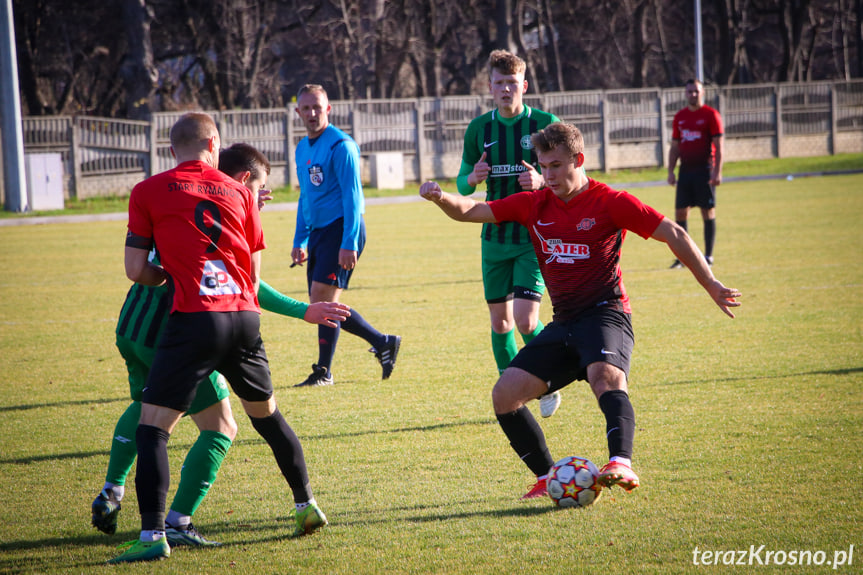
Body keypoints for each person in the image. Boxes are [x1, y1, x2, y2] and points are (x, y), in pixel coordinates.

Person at [420, 122, 741, 501]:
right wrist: (441, 197)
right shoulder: (533, 203)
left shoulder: (610, 202)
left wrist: (711, 283)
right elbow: (472, 210)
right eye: (543, 165)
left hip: (607, 314)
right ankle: (549, 478)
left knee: (604, 376)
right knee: (504, 395)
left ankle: (620, 462)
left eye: (556, 165)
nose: (548, 175)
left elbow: (673, 233)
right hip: (565, 322)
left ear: (579, 160)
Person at [92, 143, 350, 548]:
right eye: (259, 188)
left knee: (147, 410)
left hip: (133, 326)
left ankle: (113, 491)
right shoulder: (229, 199)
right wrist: (302, 308)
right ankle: (173, 523)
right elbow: (246, 281)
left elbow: (142, 265)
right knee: (219, 426)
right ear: (243, 179)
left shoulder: (166, 195)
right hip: (186, 328)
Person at [457, 50, 562, 418]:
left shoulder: (546, 125)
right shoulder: (478, 129)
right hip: (493, 240)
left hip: (531, 239)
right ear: (490, 87)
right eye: (499, 83)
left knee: (526, 322)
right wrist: (472, 178)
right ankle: (512, 393)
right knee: (501, 324)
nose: (506, 89)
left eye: (512, 84)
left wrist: (540, 182)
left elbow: (569, 178)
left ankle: (550, 374)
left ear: (524, 86)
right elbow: (463, 182)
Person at [291, 83, 401, 387]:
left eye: (318, 107)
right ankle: (381, 342)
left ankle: (325, 371)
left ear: (329, 109)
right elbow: (305, 199)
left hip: (342, 229)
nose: (312, 113)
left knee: (321, 300)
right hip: (319, 233)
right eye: (306, 108)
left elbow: (354, 198)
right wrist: (300, 240)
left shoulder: (341, 146)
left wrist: (349, 242)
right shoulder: (302, 148)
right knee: (321, 302)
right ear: (297, 111)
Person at [667, 78, 724, 268]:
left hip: (705, 171)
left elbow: (719, 146)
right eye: (689, 91)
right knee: (680, 213)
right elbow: (675, 147)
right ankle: (684, 258)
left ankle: (708, 256)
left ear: (703, 93)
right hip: (685, 171)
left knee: (707, 212)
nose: (692, 94)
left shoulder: (711, 115)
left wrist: (717, 172)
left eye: (696, 91)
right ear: (685, 93)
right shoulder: (680, 117)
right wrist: (670, 171)